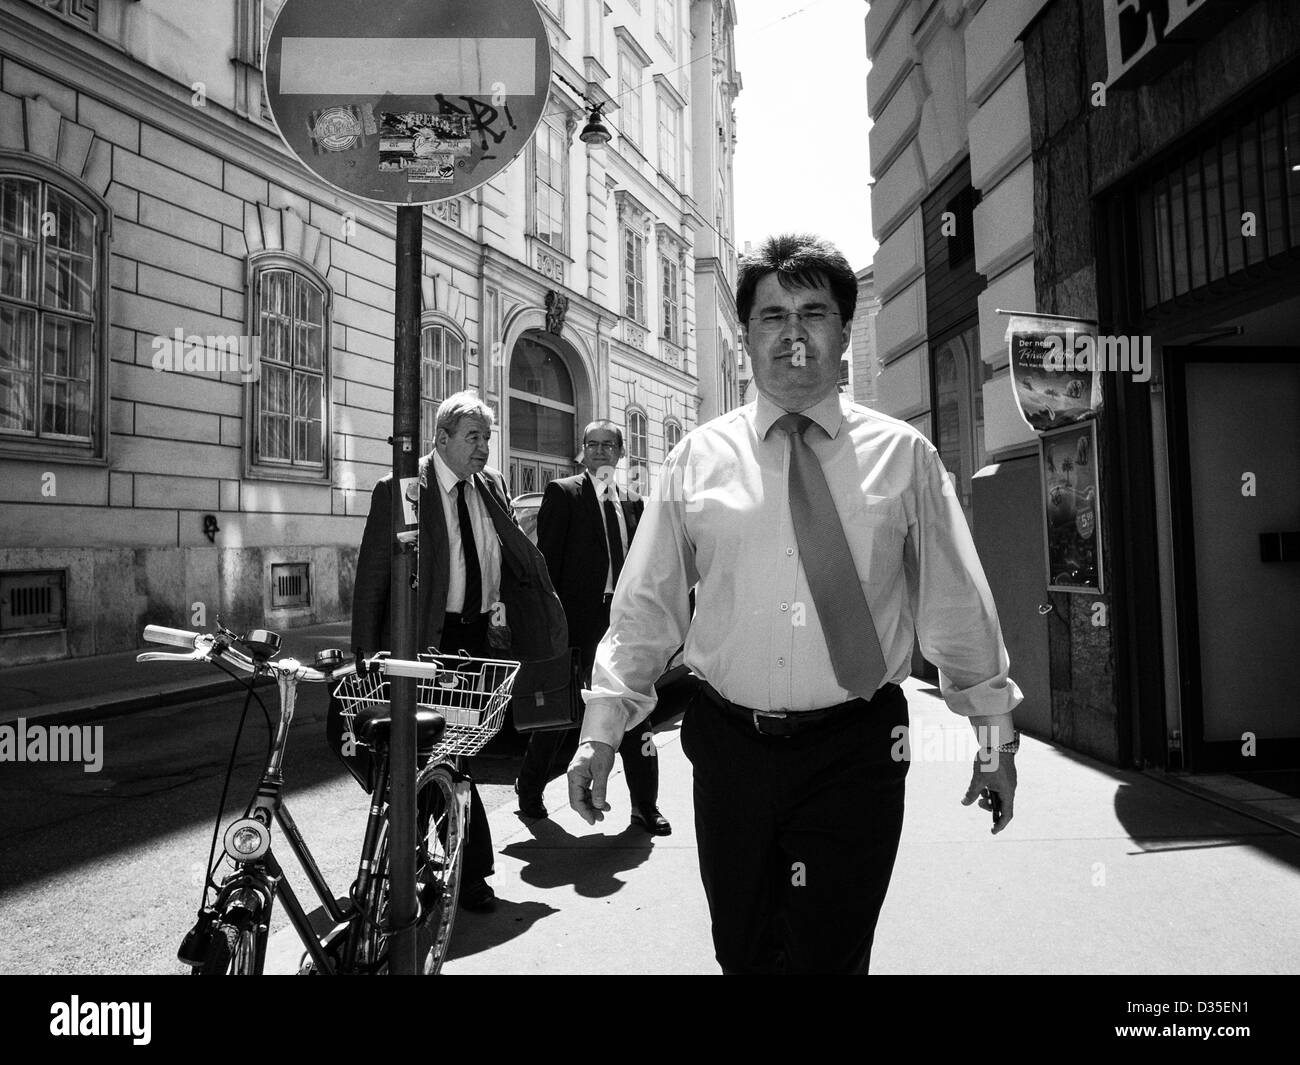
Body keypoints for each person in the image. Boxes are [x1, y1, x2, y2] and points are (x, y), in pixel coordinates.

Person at [567, 233, 1023, 974]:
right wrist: (602, 729)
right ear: (745, 335)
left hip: (856, 750)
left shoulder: (905, 458)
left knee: (829, 957)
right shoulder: (695, 460)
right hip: (729, 750)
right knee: (742, 952)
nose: (793, 333)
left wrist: (994, 736)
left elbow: (958, 605)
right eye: (772, 315)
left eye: (814, 313)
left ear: (846, 332)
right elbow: (645, 606)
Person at [351, 390, 568, 912]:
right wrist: (365, 659)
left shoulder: (488, 486)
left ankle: (426, 869)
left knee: (454, 755)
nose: (484, 448)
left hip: (474, 643)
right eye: (474, 437)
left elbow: (508, 555)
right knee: (426, 757)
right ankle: (457, 874)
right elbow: (372, 581)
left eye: (488, 438)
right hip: (425, 642)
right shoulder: (401, 491)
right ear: (441, 439)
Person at [515, 421, 669, 834]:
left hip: (622, 622)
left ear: (620, 453)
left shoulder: (635, 503)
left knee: (634, 710)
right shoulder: (564, 494)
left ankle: (645, 806)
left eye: (607, 445)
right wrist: (554, 627)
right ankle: (528, 790)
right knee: (562, 713)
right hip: (577, 623)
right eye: (591, 445)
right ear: (583, 451)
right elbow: (546, 564)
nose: (599, 451)